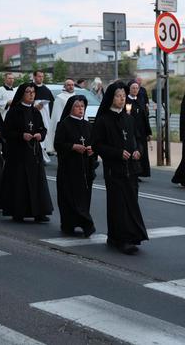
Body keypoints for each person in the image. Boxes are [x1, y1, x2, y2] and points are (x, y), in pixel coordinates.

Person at [92, 81, 148, 254]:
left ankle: (128, 237)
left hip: (131, 169)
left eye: (124, 96)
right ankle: (120, 239)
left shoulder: (129, 119)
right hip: (114, 169)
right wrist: (117, 153)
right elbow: (97, 145)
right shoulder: (103, 120)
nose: (122, 99)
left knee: (131, 203)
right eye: (118, 96)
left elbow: (137, 139)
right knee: (118, 205)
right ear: (110, 98)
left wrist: (138, 151)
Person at [0, 83, 53, 222]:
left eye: (33, 92)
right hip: (18, 153)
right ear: (22, 94)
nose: (31, 94)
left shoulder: (35, 112)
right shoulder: (14, 111)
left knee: (37, 183)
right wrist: (21, 135)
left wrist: (40, 135)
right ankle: (19, 211)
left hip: (34, 153)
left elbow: (42, 128)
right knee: (20, 183)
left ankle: (39, 212)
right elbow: (6, 132)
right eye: (28, 92)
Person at [54, 95, 96, 237]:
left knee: (84, 199)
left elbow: (93, 143)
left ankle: (85, 225)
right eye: (77, 106)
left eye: (82, 106)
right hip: (69, 168)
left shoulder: (88, 125)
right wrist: (73, 147)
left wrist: (91, 149)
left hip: (84, 168)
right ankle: (69, 224)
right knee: (69, 198)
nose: (80, 109)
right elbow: (58, 145)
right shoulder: (64, 124)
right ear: (71, 108)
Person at [126, 80, 151, 179]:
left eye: (137, 88)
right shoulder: (126, 101)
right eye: (133, 88)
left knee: (142, 151)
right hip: (131, 130)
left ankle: (140, 172)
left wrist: (148, 132)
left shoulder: (140, 101)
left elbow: (145, 117)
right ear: (129, 89)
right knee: (133, 149)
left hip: (142, 130)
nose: (135, 90)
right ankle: (133, 171)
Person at [45, 78, 76, 154]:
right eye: (68, 85)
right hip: (65, 124)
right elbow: (57, 114)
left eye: (72, 85)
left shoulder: (76, 97)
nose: (71, 86)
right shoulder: (60, 97)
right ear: (64, 86)